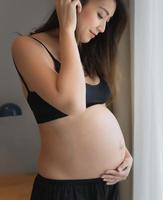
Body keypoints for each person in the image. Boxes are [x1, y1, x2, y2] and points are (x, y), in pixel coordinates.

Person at [10, 0, 133, 199]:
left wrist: (123, 153)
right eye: (100, 15)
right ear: (74, 4)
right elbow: (72, 104)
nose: (102, 28)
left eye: (107, 21)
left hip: (107, 185)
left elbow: (93, 111)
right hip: (67, 190)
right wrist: (68, 29)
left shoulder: (86, 53)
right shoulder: (27, 46)